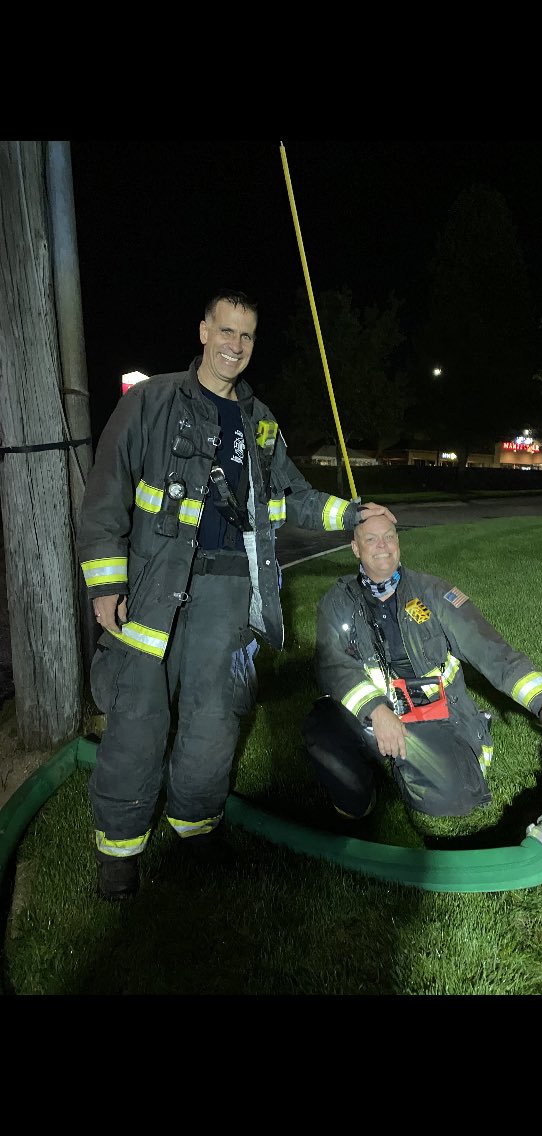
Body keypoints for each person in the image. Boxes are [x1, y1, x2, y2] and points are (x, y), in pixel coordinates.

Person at [77, 289, 396, 900]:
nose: (235, 345)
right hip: (151, 586)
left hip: (227, 589)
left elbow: (294, 496)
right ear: (202, 331)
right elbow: (105, 495)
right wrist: (105, 583)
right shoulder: (151, 401)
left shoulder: (260, 420)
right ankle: (119, 847)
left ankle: (195, 826)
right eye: (225, 331)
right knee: (137, 715)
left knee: (214, 717)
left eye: (246, 336)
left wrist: (351, 513)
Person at [303, 513, 542, 824]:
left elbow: (489, 649)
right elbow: (332, 665)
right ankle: (362, 799)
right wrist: (377, 711)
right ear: (355, 548)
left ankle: (407, 764)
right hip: (372, 716)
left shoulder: (433, 593)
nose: (383, 546)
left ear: (398, 542)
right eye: (371, 539)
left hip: (432, 720)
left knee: (455, 796)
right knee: (322, 726)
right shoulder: (338, 602)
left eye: (390, 536)